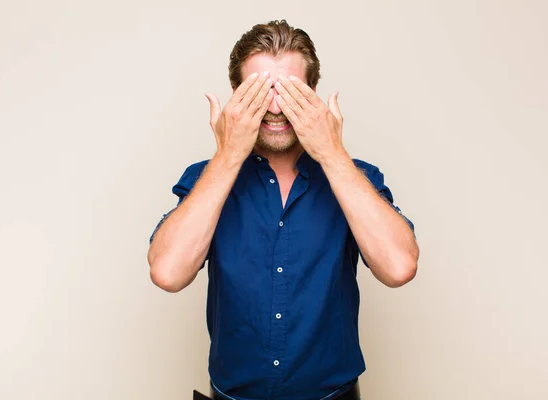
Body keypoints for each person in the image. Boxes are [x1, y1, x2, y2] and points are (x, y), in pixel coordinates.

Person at [148, 19, 419, 400]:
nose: (275, 108)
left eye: (289, 91)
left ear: (313, 94)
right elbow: (167, 273)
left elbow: (399, 268)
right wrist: (228, 154)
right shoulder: (205, 180)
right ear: (235, 96)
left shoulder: (354, 178)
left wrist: (331, 152)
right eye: (259, 92)